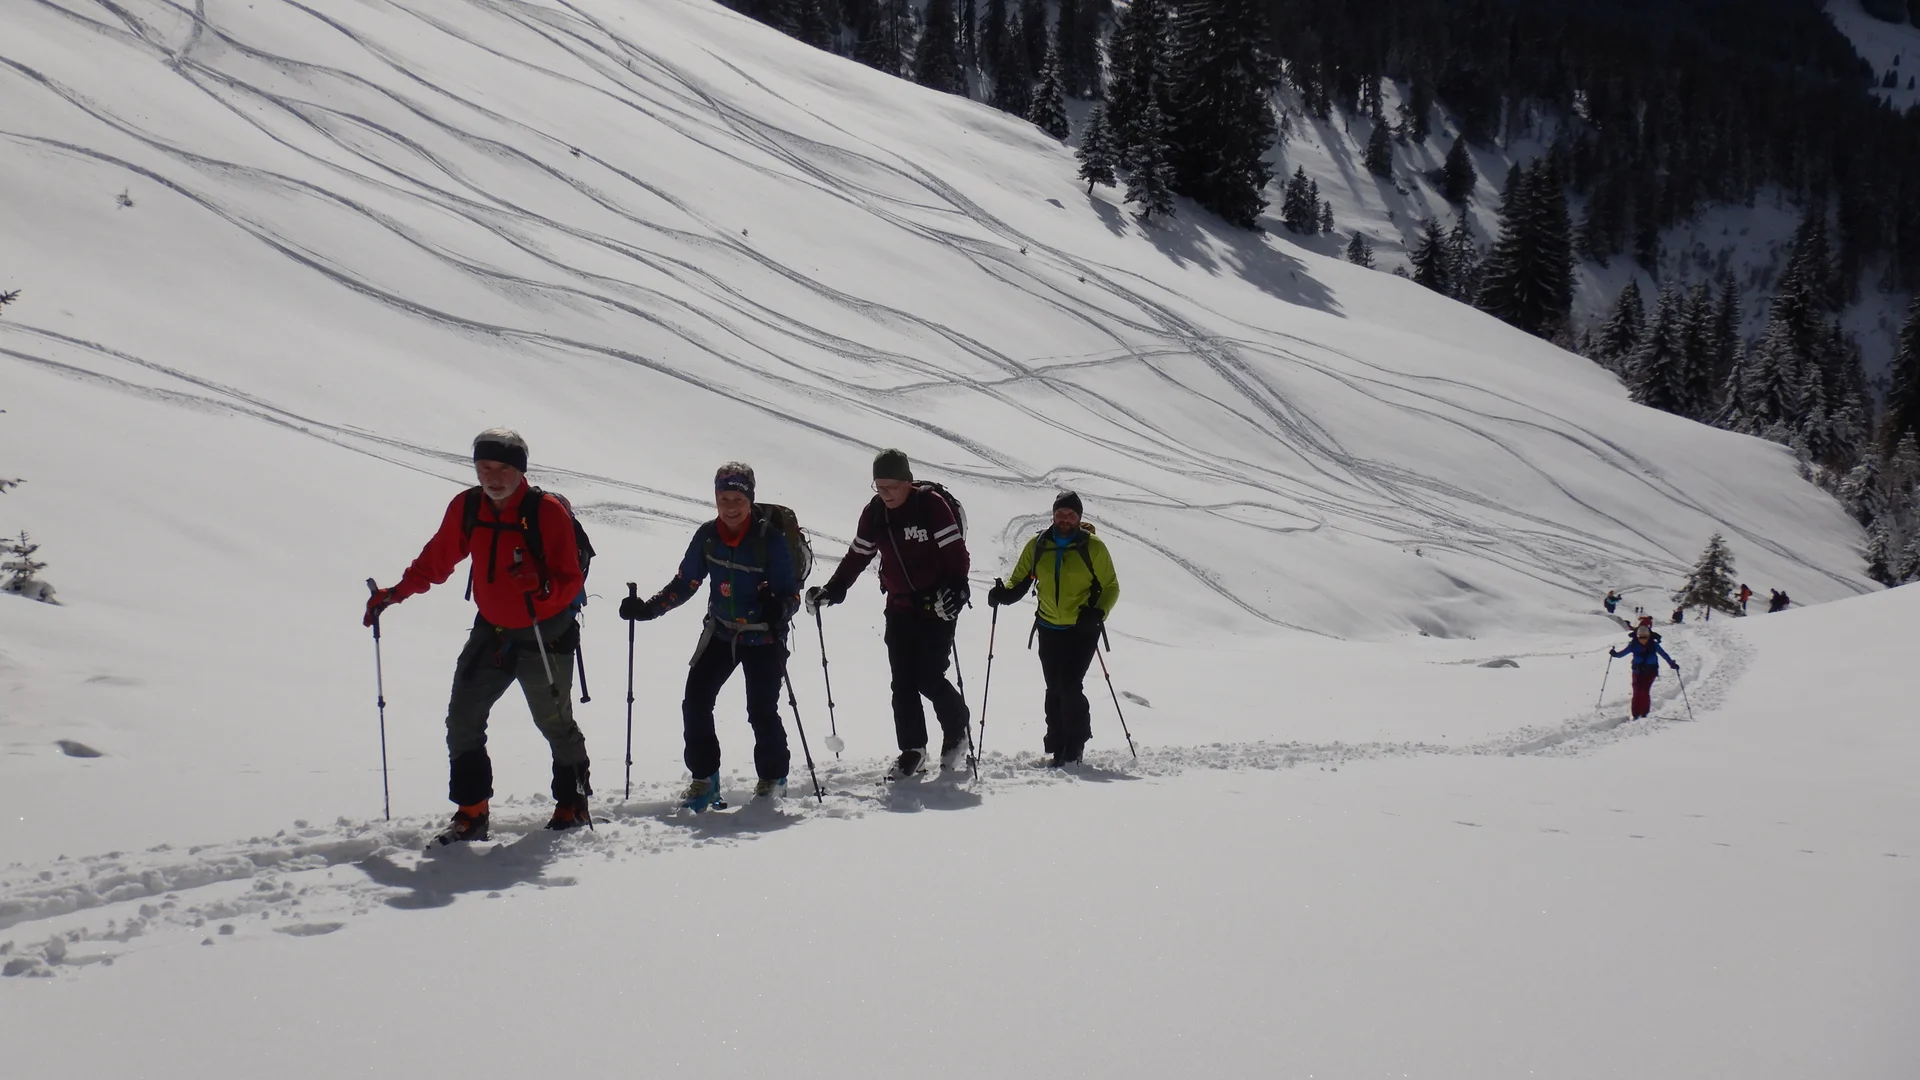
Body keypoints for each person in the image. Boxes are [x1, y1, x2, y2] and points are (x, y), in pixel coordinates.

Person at [365, 429, 592, 845]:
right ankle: (471, 811)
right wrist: (395, 594)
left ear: (519, 470)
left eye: (503, 467)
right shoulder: (469, 506)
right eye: (484, 467)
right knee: (463, 718)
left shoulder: (546, 513)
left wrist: (541, 586)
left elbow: (568, 578)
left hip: (546, 632)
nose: (492, 476)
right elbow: (438, 558)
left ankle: (572, 803)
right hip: (493, 630)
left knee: (555, 723)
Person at [620, 463, 797, 811]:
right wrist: (648, 609)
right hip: (721, 632)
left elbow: (789, 596)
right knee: (696, 702)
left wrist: (778, 609)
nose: (730, 506)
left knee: (761, 710)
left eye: (737, 498)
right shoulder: (708, 536)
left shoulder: (769, 541)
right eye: (723, 498)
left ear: (750, 499)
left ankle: (773, 779)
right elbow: (686, 582)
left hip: (763, 638)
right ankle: (704, 778)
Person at [806, 450, 970, 779]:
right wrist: (834, 589)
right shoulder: (875, 513)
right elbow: (858, 555)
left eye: (892, 486)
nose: (886, 494)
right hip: (899, 606)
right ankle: (913, 750)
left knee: (928, 676)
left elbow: (956, 555)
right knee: (902, 682)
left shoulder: (931, 506)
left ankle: (956, 731)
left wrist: (956, 590)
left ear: (907, 482)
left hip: (937, 603)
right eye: (879, 487)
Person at [986, 492, 1121, 767]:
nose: (1065, 520)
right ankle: (1057, 742)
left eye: (1071, 515)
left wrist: (1098, 613)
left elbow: (1111, 587)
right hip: (1048, 627)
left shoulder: (1093, 547)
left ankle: (1076, 743)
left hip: (1082, 628)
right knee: (1054, 688)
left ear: (1079, 518)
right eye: (1060, 514)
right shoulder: (1038, 545)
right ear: (1053, 515)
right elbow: (1020, 580)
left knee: (1070, 685)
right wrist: (1003, 595)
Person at [1610, 622, 1678, 721]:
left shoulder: (1653, 645)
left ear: (1648, 636)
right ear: (1637, 637)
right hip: (1637, 671)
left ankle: (1644, 712)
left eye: (1645, 637)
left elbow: (1664, 654)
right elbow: (1622, 654)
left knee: (1644, 691)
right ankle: (1635, 713)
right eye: (1640, 637)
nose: (1643, 639)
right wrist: (1614, 654)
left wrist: (1672, 664)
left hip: (1650, 671)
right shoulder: (1633, 644)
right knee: (1636, 691)